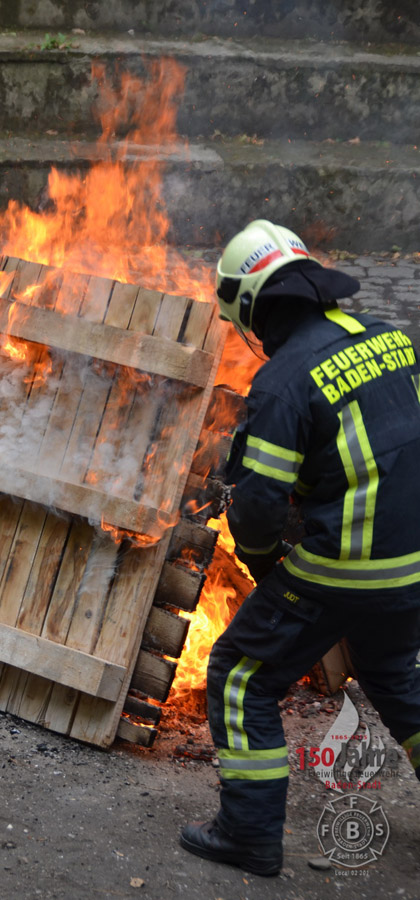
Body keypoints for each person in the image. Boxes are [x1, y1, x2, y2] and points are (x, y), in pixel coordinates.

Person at [179, 220, 420, 876]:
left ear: (254, 306)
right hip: (416, 559)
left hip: (351, 563)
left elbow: (257, 504)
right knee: (393, 671)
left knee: (239, 675)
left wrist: (263, 566)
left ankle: (248, 834)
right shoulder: (390, 339)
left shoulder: (285, 381)